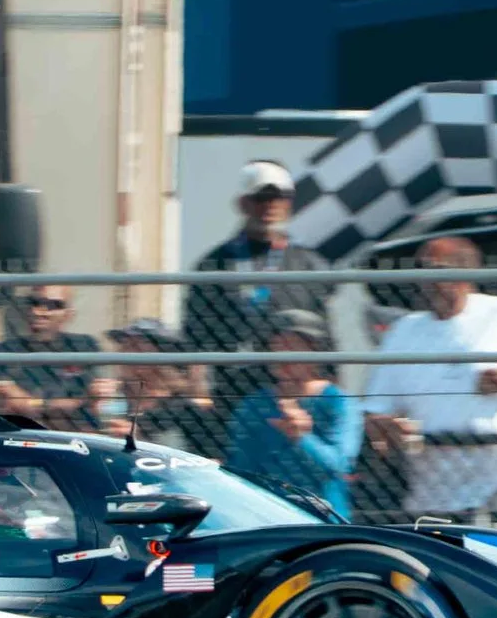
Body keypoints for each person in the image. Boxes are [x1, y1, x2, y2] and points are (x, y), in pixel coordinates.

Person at [359, 235, 497, 519]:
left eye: (433, 269)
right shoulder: (404, 331)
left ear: (466, 272)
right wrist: (387, 427)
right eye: (420, 270)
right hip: (431, 492)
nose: (424, 279)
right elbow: (375, 409)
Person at [182, 160, 328, 355]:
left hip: (291, 378)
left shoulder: (308, 263)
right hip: (230, 377)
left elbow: (325, 332)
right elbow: (195, 332)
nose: (270, 205)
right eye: (261, 197)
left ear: (289, 204)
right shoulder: (214, 264)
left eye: (279, 197)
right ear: (242, 204)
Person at [228, 309, 361, 516]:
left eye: (293, 346)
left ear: (316, 352)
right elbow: (241, 465)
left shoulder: (338, 401)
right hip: (263, 513)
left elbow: (338, 465)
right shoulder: (255, 404)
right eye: (276, 346)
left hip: (323, 516)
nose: (283, 355)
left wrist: (302, 437)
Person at [0, 287, 113, 429]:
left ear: (68, 314)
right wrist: (80, 403)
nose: (40, 311)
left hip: (80, 437)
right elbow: (14, 405)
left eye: (53, 305)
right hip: (24, 437)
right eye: (35, 302)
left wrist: (36, 404)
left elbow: (99, 405)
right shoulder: (4, 351)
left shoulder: (85, 346)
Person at [110, 318, 225, 458]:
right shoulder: (110, 396)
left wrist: (140, 435)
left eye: (138, 346)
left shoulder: (183, 406)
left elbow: (213, 459)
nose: (128, 353)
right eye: (125, 345)